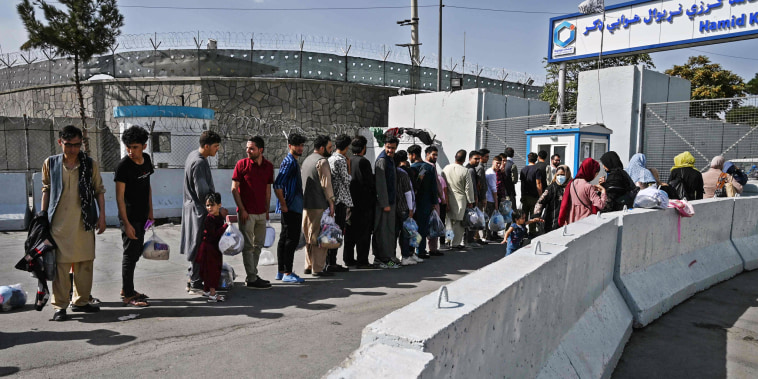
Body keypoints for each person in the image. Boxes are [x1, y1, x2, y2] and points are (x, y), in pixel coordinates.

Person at [41, 125, 106, 321]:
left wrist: (102, 216)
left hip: (84, 222)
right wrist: (42, 217)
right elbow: (46, 189)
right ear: (61, 142)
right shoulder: (50, 163)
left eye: (77, 145)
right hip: (58, 225)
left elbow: (99, 190)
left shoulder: (89, 164)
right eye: (68, 145)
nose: (72, 150)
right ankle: (60, 306)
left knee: (85, 263)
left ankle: (81, 302)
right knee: (60, 266)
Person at [181, 130, 225, 294]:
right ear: (206, 146)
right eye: (215, 146)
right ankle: (196, 282)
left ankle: (193, 278)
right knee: (201, 246)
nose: (217, 150)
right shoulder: (199, 163)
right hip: (200, 211)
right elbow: (203, 193)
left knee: (196, 244)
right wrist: (217, 208)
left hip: (192, 208)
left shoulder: (193, 155)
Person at [114, 125, 154, 307]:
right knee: (130, 255)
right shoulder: (123, 167)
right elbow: (119, 197)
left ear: (144, 146)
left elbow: (148, 187)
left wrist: (151, 212)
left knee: (137, 252)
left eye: (135, 147)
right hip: (130, 218)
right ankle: (128, 294)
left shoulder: (146, 160)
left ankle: (126, 288)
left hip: (143, 217)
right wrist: (126, 223)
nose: (131, 151)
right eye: (128, 147)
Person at [231, 136, 273, 289]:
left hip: (262, 213)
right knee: (248, 246)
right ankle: (252, 277)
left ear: (260, 150)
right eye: (247, 148)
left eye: (251, 148)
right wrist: (242, 210)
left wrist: (267, 210)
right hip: (246, 214)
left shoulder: (268, 166)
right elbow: (234, 189)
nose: (247, 151)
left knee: (259, 245)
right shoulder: (241, 165)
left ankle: (252, 275)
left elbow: (268, 191)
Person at [273, 133, 307, 283]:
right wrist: (284, 203)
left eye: (301, 145)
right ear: (290, 146)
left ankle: (281, 271)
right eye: (297, 145)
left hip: (292, 206)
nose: (300, 148)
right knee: (290, 240)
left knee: (285, 239)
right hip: (291, 208)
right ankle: (287, 273)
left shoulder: (293, 161)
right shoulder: (289, 162)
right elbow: (278, 184)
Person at [301, 135, 336, 277]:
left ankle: (308, 265)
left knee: (309, 236)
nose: (331, 150)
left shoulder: (307, 160)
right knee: (320, 237)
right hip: (319, 205)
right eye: (329, 147)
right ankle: (318, 268)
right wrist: (332, 203)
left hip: (306, 205)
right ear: (321, 148)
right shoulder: (322, 162)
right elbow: (326, 185)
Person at [343, 136, 375, 269]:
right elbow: (369, 183)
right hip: (363, 204)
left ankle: (348, 259)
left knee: (350, 233)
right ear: (363, 148)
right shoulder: (364, 162)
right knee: (363, 234)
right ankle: (362, 260)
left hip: (350, 204)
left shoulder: (348, 160)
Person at [326, 134, 353, 272]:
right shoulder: (341, 160)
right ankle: (332, 262)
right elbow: (347, 180)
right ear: (347, 147)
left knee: (331, 231)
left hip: (332, 199)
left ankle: (329, 261)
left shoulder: (330, 159)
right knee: (337, 232)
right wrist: (349, 167)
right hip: (341, 200)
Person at [373, 136, 401, 269]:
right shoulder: (382, 160)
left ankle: (388, 257)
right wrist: (385, 204)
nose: (390, 150)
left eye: (393, 148)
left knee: (389, 231)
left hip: (390, 202)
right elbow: (381, 184)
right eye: (388, 147)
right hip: (385, 204)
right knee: (383, 232)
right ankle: (382, 259)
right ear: (384, 146)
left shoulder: (390, 159)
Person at [195, 193, 227, 303]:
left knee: (210, 270)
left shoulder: (218, 217)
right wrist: (225, 226)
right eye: (207, 205)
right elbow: (214, 235)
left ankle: (207, 290)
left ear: (219, 205)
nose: (209, 208)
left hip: (214, 248)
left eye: (212, 205)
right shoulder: (210, 219)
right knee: (212, 271)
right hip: (209, 248)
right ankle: (213, 295)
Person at [411, 145, 440, 258]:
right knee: (422, 228)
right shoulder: (430, 168)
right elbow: (434, 188)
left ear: (413, 155)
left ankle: (411, 251)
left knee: (412, 228)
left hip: (412, 203)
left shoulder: (411, 168)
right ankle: (421, 250)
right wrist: (434, 202)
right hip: (426, 203)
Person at [442, 150, 475, 249]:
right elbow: (468, 188)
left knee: (448, 222)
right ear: (464, 159)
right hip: (460, 200)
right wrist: (471, 201)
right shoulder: (465, 171)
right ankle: (455, 243)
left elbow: (443, 184)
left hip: (448, 198)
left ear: (455, 157)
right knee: (458, 223)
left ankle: (448, 240)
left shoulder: (446, 168)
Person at [558, 158, 607, 226]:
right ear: (590, 171)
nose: (595, 176)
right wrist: (603, 192)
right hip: (585, 221)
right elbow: (600, 205)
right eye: (595, 173)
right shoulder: (588, 186)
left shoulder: (571, 183)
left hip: (571, 220)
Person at [394, 151, 419, 266]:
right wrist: (410, 209)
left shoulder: (392, 171)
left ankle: (393, 255)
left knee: (395, 233)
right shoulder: (403, 173)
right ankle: (405, 256)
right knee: (405, 234)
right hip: (404, 207)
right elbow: (408, 192)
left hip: (394, 207)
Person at [534, 165, 571, 233]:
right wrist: (537, 215)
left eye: (562, 175)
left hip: (567, 222)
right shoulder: (552, 188)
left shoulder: (571, 187)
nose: (560, 177)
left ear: (567, 174)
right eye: (558, 175)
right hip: (551, 222)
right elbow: (540, 201)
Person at [519, 152, 544, 235]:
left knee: (524, 214)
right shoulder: (537, 169)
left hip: (525, 195)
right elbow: (538, 183)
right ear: (536, 159)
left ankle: (523, 229)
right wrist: (541, 195)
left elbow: (522, 184)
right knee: (533, 214)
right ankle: (532, 231)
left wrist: (522, 195)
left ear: (528, 159)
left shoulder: (523, 170)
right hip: (534, 196)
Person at [464, 150, 482, 246]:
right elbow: (472, 186)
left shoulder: (471, 169)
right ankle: (469, 240)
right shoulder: (470, 170)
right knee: (471, 220)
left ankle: (469, 239)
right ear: (470, 159)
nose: (478, 161)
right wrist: (475, 198)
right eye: (476, 159)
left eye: (479, 159)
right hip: (471, 199)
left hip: (471, 198)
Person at [484, 155, 502, 241]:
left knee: (490, 217)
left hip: (488, 197)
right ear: (493, 162)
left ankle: (490, 234)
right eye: (497, 163)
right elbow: (494, 189)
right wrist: (496, 202)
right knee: (490, 218)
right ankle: (488, 235)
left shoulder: (489, 171)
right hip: (490, 198)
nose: (498, 165)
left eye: (500, 164)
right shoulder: (491, 173)